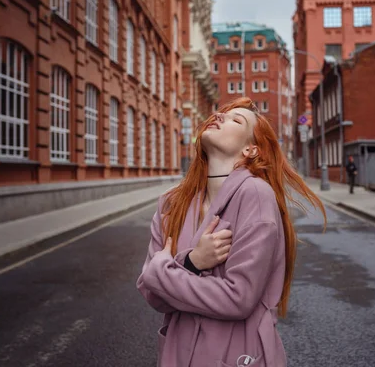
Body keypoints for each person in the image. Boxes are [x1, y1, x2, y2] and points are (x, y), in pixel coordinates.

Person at [137, 97, 326, 366]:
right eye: (220, 114)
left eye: (236, 120)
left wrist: (163, 272)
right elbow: (151, 292)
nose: (218, 117)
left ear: (251, 150)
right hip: (177, 355)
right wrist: (192, 263)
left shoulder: (256, 195)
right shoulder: (171, 202)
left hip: (235, 354)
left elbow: (238, 298)